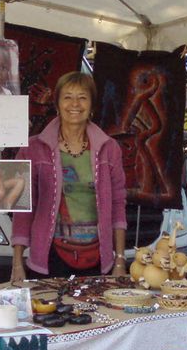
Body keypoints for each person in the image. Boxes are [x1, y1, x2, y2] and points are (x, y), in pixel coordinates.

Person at [10, 72, 126, 283]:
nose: (75, 104)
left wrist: (119, 259)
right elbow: (22, 208)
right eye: (67, 97)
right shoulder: (33, 149)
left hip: (99, 258)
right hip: (50, 257)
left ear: (92, 105)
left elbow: (118, 205)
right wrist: (17, 263)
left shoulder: (109, 149)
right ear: (57, 104)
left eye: (82, 97)